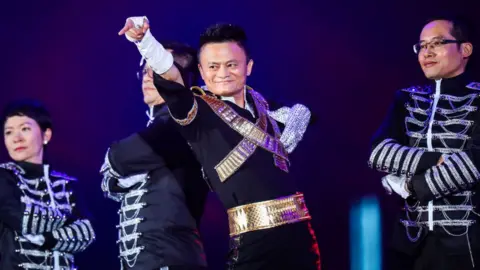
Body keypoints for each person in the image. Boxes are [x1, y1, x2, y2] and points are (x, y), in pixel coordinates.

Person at [117, 16, 320, 270]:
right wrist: (145, 41)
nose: (223, 74)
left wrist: (299, 117)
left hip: (302, 237)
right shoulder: (196, 111)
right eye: (213, 67)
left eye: (231, 64)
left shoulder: (263, 105)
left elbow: (309, 115)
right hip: (253, 244)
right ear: (201, 72)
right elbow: (169, 74)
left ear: (249, 66)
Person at [368, 16, 480, 270]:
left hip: (467, 242)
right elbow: (377, 152)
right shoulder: (407, 99)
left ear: (465, 49)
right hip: (411, 241)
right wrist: (433, 160)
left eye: (437, 43)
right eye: (421, 46)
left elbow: (475, 163)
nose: (426, 52)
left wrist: (410, 186)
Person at [100, 41, 209, 270]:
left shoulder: (186, 122)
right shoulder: (158, 125)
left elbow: (120, 156)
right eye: (145, 71)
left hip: (172, 257)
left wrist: (114, 166)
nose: (147, 77)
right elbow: (108, 182)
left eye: (157, 70)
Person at [0, 99, 95, 270]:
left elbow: (88, 234)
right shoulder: (3, 177)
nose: (17, 138)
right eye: (8, 132)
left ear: (46, 135)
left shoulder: (67, 183)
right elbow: (22, 219)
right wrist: (70, 221)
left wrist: (47, 239)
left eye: (25, 129)